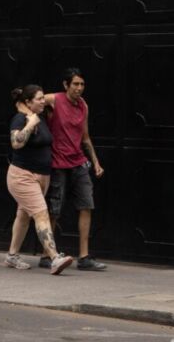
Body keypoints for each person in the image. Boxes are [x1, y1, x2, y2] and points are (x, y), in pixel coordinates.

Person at [41, 68, 107, 271]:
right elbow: (32, 101)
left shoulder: (83, 105)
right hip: (58, 163)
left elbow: (85, 137)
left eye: (82, 84)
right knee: (54, 210)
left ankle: (84, 257)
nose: (79, 88)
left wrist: (95, 162)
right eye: (75, 84)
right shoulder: (54, 99)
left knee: (86, 205)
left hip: (78, 162)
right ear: (66, 85)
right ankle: (47, 255)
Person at [4, 85, 74, 275]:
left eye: (44, 98)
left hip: (41, 177)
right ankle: (55, 258)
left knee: (24, 215)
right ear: (28, 102)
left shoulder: (39, 116)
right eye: (39, 98)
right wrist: (29, 125)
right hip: (23, 176)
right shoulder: (21, 119)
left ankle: (12, 255)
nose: (44, 101)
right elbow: (16, 143)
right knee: (41, 214)